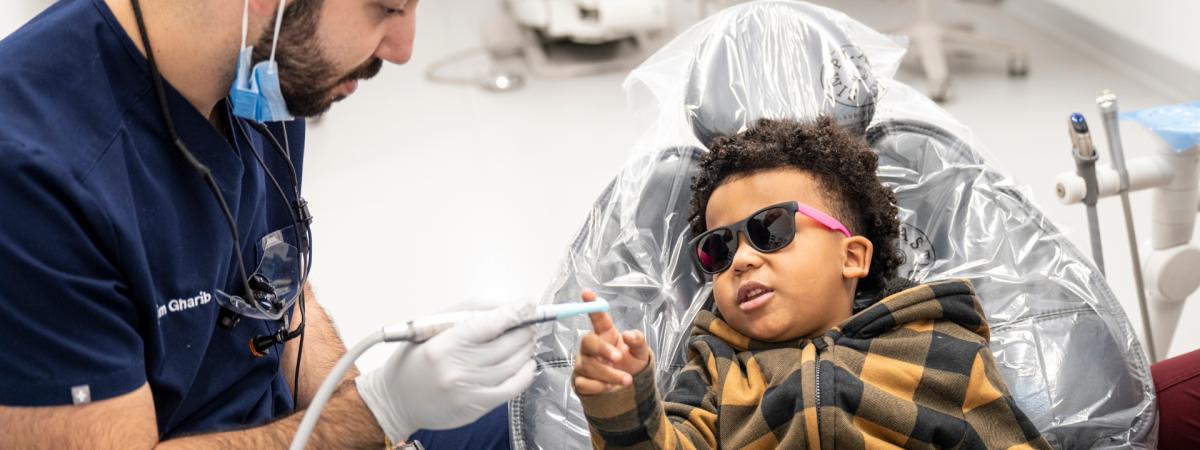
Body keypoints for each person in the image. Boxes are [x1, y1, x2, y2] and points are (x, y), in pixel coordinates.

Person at [0, 0, 533, 448]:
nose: (402, 47)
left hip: (289, 427)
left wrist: (373, 420)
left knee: (547, 413)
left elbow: (275, 283)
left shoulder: (264, 68)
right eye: (386, 8)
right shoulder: (34, 178)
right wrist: (377, 411)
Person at [571, 117, 1050, 449]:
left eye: (770, 230)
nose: (740, 260)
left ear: (852, 256)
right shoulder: (716, 370)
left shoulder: (941, 347)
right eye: (719, 248)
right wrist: (621, 400)